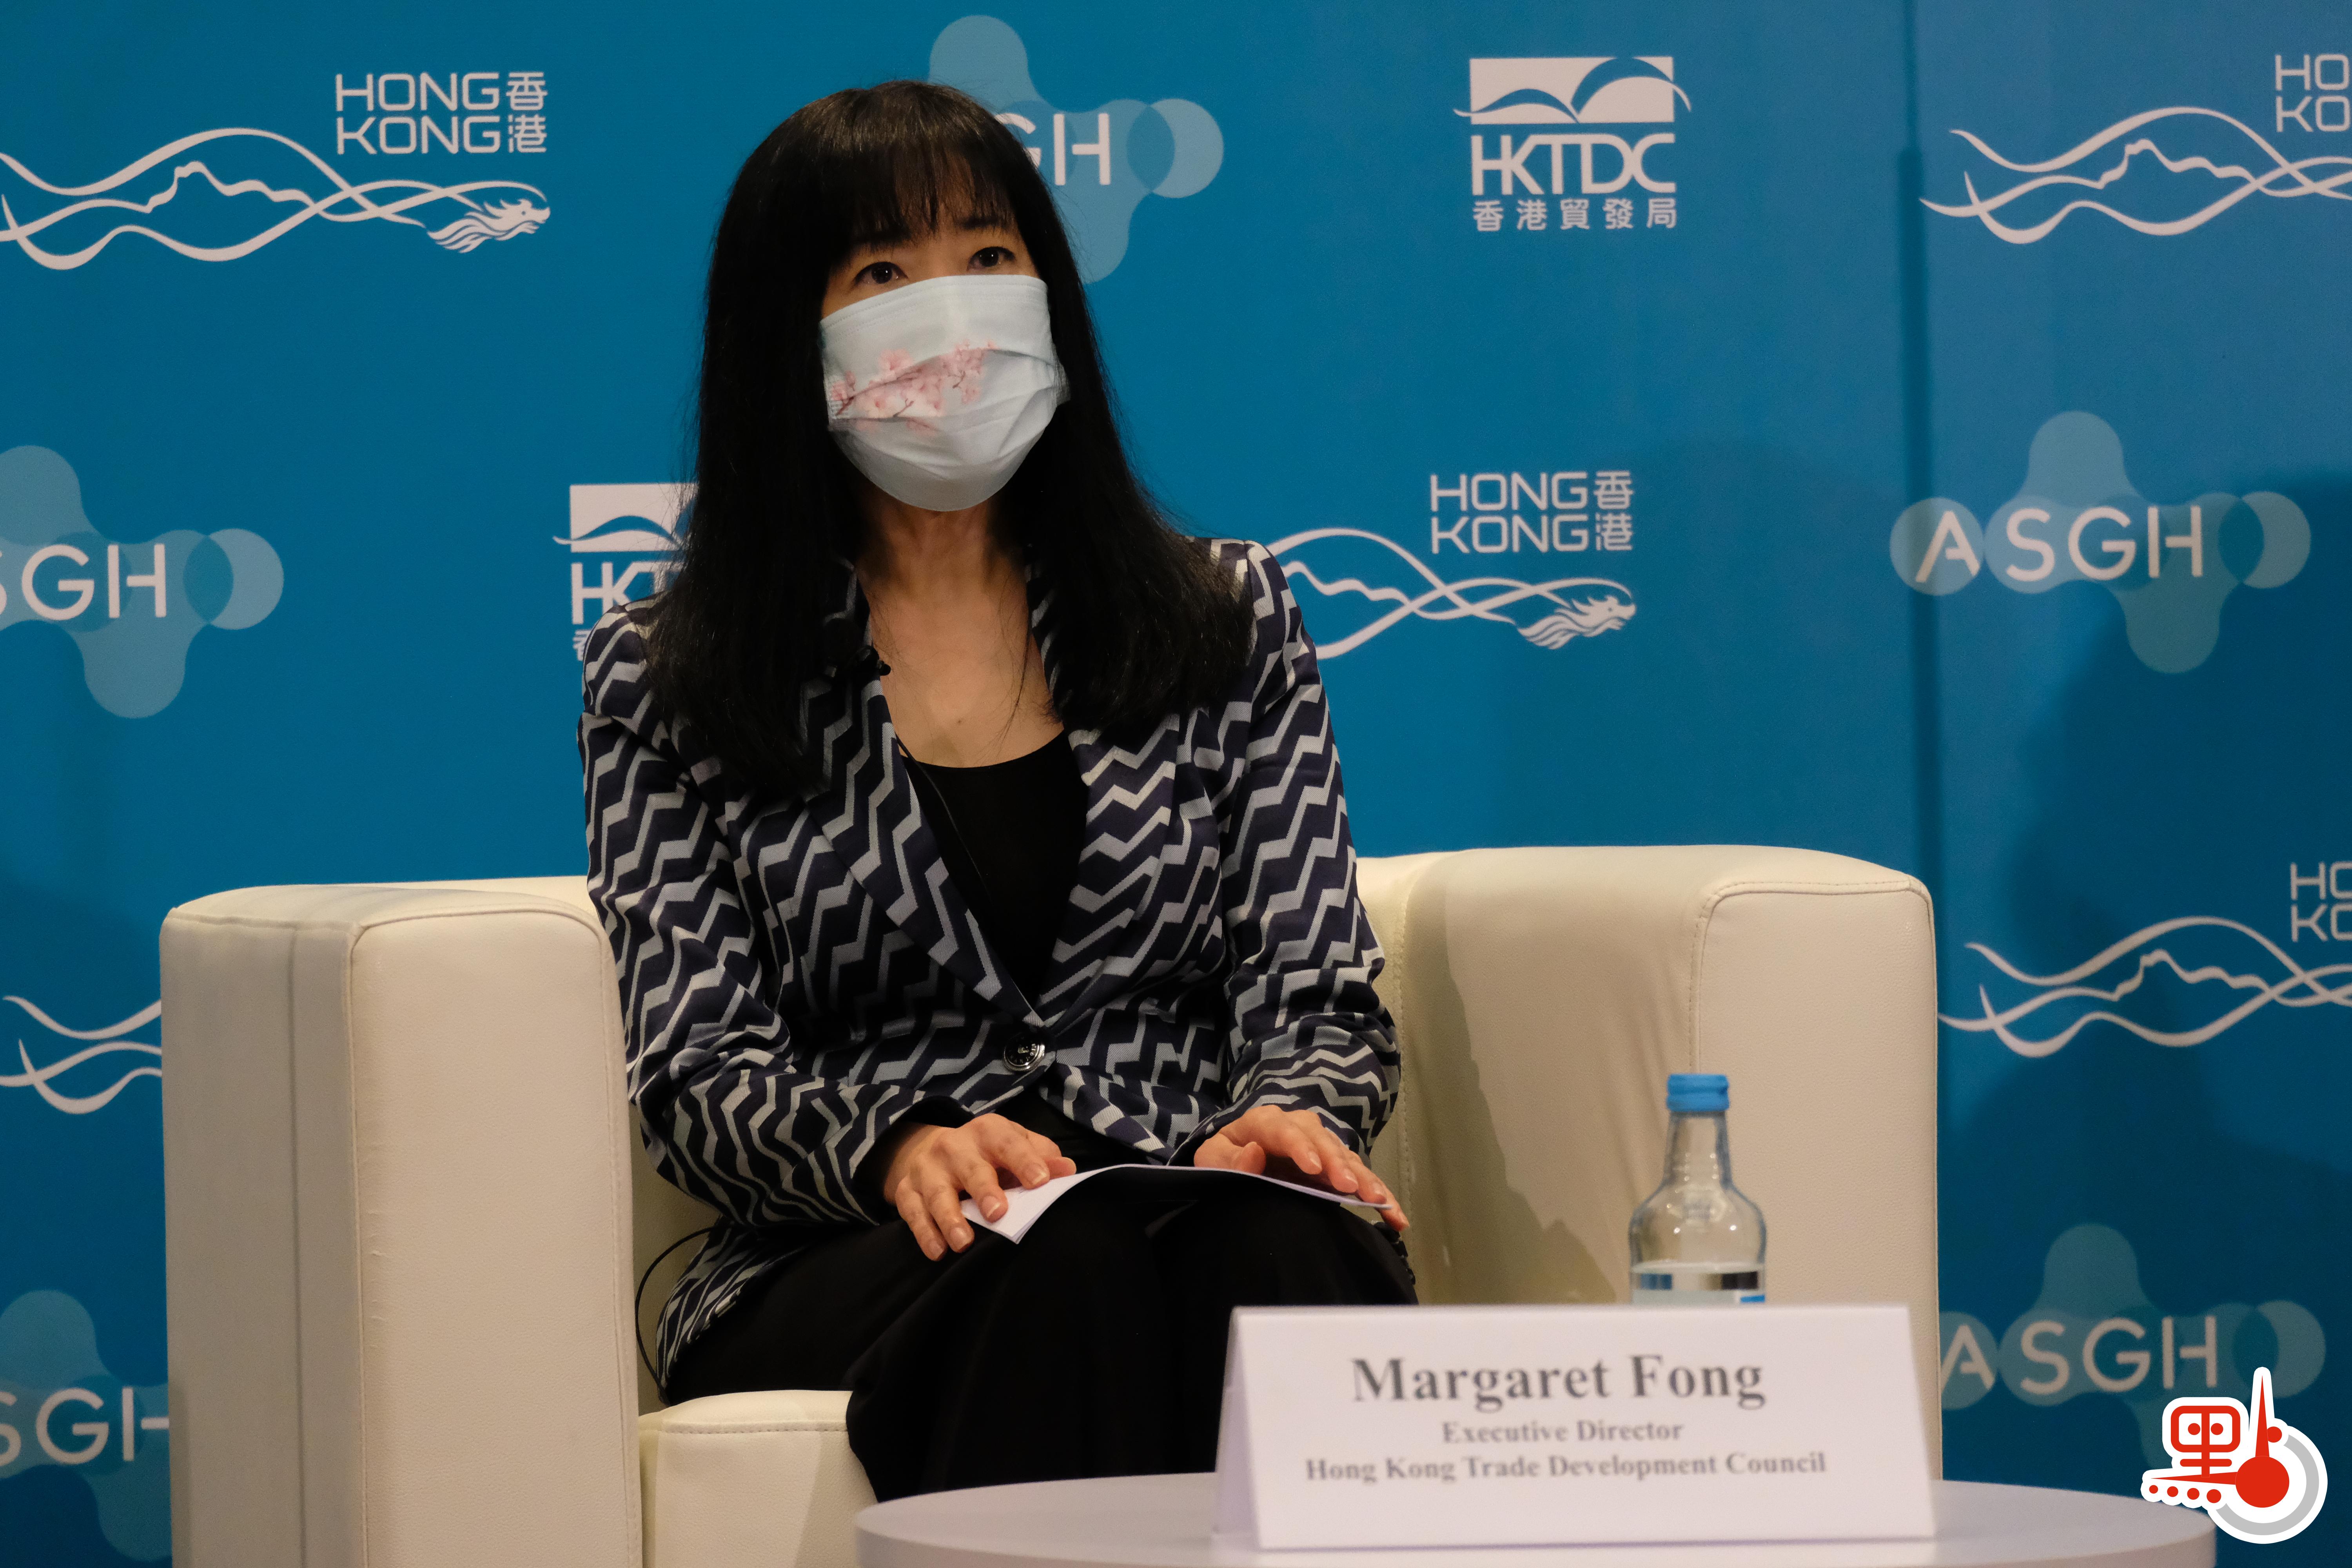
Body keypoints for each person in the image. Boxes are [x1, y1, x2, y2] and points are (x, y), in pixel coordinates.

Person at [581, 79, 1412, 1503]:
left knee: (1285, 1243)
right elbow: (698, 1071)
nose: (951, 312)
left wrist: (1289, 1113)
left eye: (988, 255)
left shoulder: (1223, 619)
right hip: (857, 1238)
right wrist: (895, 1144)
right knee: (1066, 1259)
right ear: (789, 336)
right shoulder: (671, 677)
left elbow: (1317, 987)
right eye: (883, 274)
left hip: (1176, 1184)